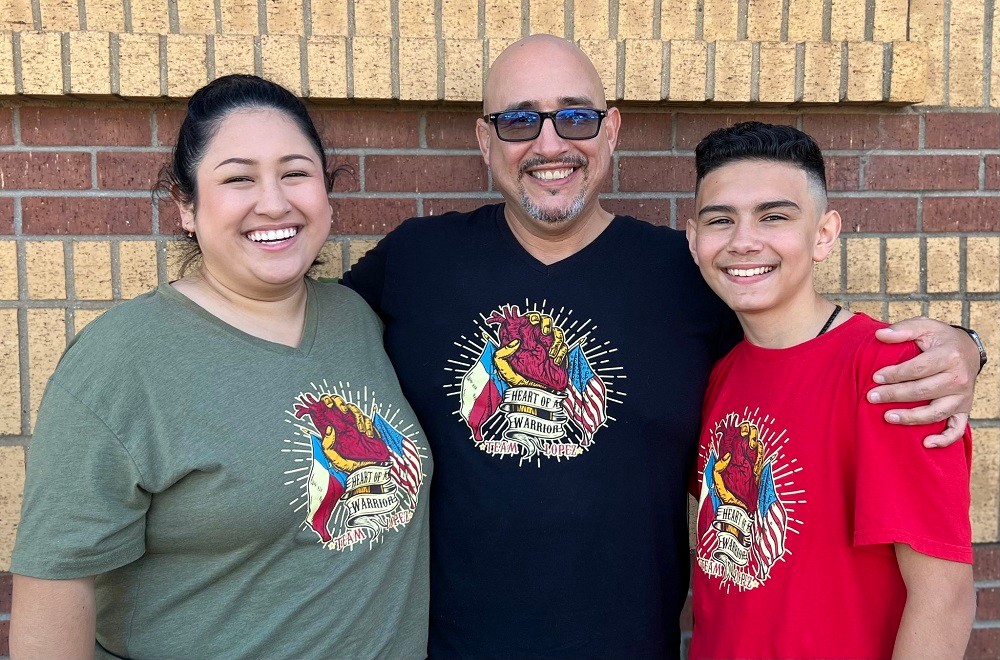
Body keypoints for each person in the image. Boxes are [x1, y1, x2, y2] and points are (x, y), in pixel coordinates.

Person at [341, 34, 984, 658]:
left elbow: (803, 344)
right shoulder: (417, 261)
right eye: (516, 121)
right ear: (485, 139)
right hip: (454, 646)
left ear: (611, 129)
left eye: (575, 117)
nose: (549, 143)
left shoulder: (691, 277)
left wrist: (965, 347)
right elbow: (292, 328)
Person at [10, 75, 432, 659]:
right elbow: (55, 594)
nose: (274, 201)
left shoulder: (356, 320)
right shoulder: (121, 363)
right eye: (238, 178)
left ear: (326, 193)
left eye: (296, 172)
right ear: (187, 206)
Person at [686, 121, 974, 659]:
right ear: (694, 240)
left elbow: (944, 597)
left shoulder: (891, 372)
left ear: (824, 234)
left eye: (774, 216)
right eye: (720, 220)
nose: (744, 240)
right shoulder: (721, 374)